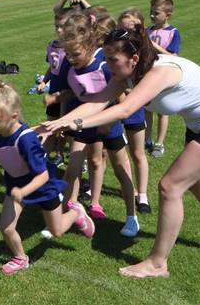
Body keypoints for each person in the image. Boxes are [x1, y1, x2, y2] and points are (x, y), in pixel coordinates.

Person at [41, 26, 200, 278]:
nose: (107, 64)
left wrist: (76, 124)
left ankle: (157, 263)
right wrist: (58, 122)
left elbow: (125, 110)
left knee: (170, 186)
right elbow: (97, 101)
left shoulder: (160, 72)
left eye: (112, 59)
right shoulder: (126, 72)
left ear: (134, 58)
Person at [0, 77, 95, 275]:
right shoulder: (0, 131)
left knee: (57, 231)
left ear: (14, 116)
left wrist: (24, 191)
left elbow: (43, 175)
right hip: (16, 185)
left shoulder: (26, 140)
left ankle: (76, 213)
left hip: (42, 187)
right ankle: (20, 258)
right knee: (6, 227)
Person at [51, 12, 139, 237]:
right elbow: (69, 94)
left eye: (75, 53)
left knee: (121, 169)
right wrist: (60, 118)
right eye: (67, 53)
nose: (70, 58)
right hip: (83, 123)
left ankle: (132, 217)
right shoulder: (66, 66)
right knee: (72, 169)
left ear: (89, 44)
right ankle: (65, 213)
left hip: (109, 123)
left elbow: (123, 95)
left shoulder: (105, 61)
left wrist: (111, 122)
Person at [118, 9, 152, 214]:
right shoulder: (114, 51)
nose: (126, 33)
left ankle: (143, 195)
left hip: (134, 108)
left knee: (137, 153)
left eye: (131, 28)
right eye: (122, 28)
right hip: (115, 107)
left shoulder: (146, 55)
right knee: (110, 155)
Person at [146, 0, 182, 158]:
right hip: (148, 73)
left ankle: (159, 143)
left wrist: (155, 46)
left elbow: (174, 56)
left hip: (163, 75)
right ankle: (147, 139)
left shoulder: (173, 32)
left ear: (168, 15)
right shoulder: (148, 30)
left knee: (162, 110)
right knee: (147, 108)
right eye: (151, 12)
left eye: (156, 13)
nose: (152, 16)